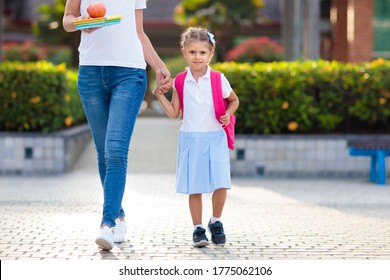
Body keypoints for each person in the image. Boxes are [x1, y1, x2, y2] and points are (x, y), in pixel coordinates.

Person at [62, 0, 171, 251]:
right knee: (103, 153)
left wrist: (159, 66)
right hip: (90, 74)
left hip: (129, 73)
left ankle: (107, 224)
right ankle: (119, 217)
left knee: (115, 151)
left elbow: (138, 31)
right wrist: (79, 23)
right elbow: (67, 19)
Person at [153, 27, 239, 247]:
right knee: (195, 187)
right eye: (192, 52)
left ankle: (216, 222)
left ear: (211, 54)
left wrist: (228, 115)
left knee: (221, 183)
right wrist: (159, 96)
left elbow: (234, 100)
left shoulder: (219, 79)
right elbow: (174, 113)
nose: (197, 57)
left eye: (202, 52)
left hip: (215, 137)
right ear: (184, 53)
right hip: (191, 138)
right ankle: (198, 229)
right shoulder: (181, 81)